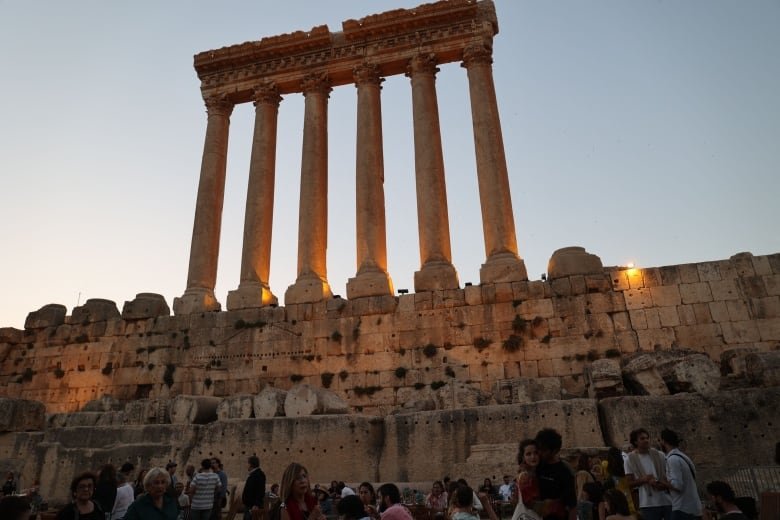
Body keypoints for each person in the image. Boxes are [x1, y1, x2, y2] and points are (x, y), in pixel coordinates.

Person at [623, 428, 671, 520]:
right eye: (642, 438)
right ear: (635, 442)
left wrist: (661, 483)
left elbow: (669, 474)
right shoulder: (630, 459)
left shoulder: (660, 455)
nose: (646, 440)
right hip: (648, 504)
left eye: (647, 438)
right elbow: (629, 483)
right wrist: (644, 480)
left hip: (667, 501)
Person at [534, 428, 576, 520]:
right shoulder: (537, 466)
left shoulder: (565, 472)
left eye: (544, 450)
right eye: (539, 449)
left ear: (555, 451)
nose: (540, 453)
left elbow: (572, 505)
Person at [659, 429, 702, 520]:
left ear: (663, 441)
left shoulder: (672, 459)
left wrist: (664, 482)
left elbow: (678, 486)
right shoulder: (684, 457)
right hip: (694, 508)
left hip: (682, 509)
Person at [516, 438, 541, 509]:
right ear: (523, 457)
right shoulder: (525, 476)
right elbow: (530, 503)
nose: (533, 457)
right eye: (528, 454)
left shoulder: (535, 473)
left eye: (536, 453)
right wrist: (554, 506)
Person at [243, 455, 267, 520]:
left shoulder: (258, 475)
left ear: (251, 464)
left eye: (248, 463)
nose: (247, 465)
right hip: (249, 506)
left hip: (253, 507)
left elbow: (260, 491)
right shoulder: (254, 474)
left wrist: (256, 504)